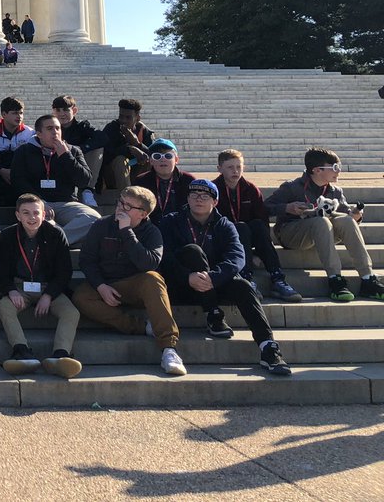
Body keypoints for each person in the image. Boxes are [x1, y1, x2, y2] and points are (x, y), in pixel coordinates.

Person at [159, 178, 292, 376]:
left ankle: (268, 347)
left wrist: (213, 278)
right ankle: (212, 313)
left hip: (216, 283)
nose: (198, 199)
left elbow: (236, 258)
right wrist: (187, 276)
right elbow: (164, 257)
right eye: (193, 195)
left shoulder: (225, 225)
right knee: (192, 251)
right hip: (182, 285)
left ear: (215, 202)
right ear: (187, 198)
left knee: (244, 286)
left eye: (205, 196)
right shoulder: (170, 221)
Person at [73, 186, 187, 376]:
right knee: (80, 297)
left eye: (128, 206)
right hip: (106, 283)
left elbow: (148, 263)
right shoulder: (101, 225)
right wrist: (101, 286)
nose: (120, 208)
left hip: (135, 285)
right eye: (120, 202)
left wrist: (126, 231)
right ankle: (141, 327)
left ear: (143, 214)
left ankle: (169, 348)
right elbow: (87, 260)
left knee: (153, 279)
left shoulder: (152, 233)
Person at [266, 148, 384, 302]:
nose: (339, 171)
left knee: (346, 220)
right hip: (292, 234)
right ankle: (335, 280)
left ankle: (368, 278)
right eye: (334, 167)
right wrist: (287, 208)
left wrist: (355, 215)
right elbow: (264, 207)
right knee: (321, 221)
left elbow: (344, 212)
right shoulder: (292, 187)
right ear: (317, 170)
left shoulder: (335, 191)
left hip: (322, 234)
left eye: (339, 166)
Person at [0, 195, 81, 378]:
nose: (31, 218)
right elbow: (0, 270)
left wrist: (49, 295)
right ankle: (21, 350)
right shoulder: (8, 236)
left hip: (49, 287)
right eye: (26, 213)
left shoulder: (56, 234)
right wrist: (10, 290)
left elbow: (64, 272)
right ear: (18, 215)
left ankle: (60, 355)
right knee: (4, 306)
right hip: (18, 286)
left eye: (36, 213)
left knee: (71, 312)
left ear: (44, 215)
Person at [215, 149, 302, 302]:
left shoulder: (250, 189)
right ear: (219, 168)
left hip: (248, 237)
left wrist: (257, 252)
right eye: (230, 167)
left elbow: (262, 219)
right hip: (224, 239)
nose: (235, 171)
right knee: (239, 227)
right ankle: (246, 278)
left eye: (238, 167)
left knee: (257, 225)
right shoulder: (214, 189)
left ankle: (277, 277)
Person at [8, 115, 99, 245]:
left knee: (94, 218)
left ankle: (54, 242)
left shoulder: (73, 150)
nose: (55, 132)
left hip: (66, 203)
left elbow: (84, 181)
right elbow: (18, 181)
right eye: (50, 128)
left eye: (57, 128)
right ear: (39, 133)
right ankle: (56, 238)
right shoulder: (24, 151)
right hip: (36, 204)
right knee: (37, 220)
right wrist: (38, 201)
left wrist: (66, 156)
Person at [0, 96, 35, 205]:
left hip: (21, 173)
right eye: (15, 113)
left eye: (21, 113)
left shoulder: (30, 133)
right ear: (4, 114)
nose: (19, 116)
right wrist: (1, 170)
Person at [51, 95, 105, 201]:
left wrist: (81, 149)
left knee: (98, 149)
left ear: (74, 110)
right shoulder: (49, 127)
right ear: (53, 111)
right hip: (57, 164)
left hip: (80, 165)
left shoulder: (82, 126)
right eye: (58, 110)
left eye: (66, 110)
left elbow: (103, 138)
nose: (62, 114)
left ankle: (88, 190)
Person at [98, 98, 155, 191]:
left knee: (148, 159)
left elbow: (154, 155)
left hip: (136, 174)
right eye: (121, 116)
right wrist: (129, 149)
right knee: (121, 160)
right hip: (114, 176)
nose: (123, 120)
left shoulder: (145, 132)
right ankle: (127, 196)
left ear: (137, 118)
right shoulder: (111, 129)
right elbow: (105, 156)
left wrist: (137, 144)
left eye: (128, 117)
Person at [132, 139, 193, 224]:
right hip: (151, 228)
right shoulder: (141, 182)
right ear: (151, 161)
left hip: (181, 227)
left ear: (176, 160)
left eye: (168, 156)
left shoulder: (189, 180)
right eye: (157, 156)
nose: (163, 159)